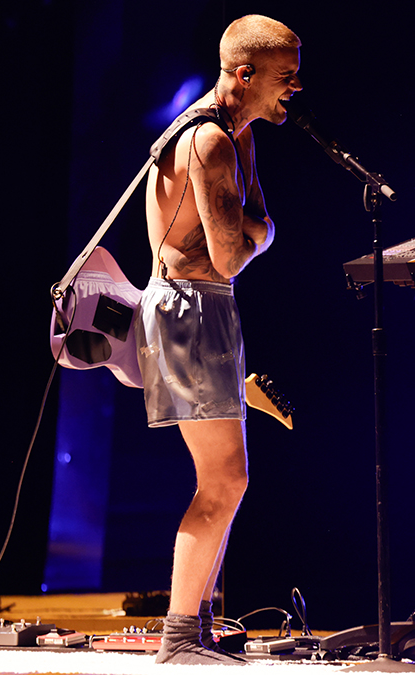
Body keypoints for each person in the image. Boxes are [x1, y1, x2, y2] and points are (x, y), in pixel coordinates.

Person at [135, 14, 302, 665]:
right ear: (245, 74)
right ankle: (179, 638)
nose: (296, 87)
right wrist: (264, 234)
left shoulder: (239, 135)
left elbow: (243, 228)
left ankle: (199, 628)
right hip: (188, 310)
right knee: (225, 479)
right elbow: (234, 250)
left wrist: (255, 228)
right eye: (286, 76)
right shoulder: (210, 143)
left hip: (204, 308)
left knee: (226, 478)